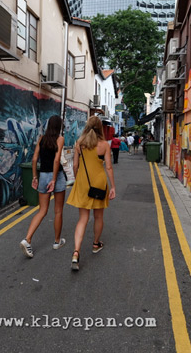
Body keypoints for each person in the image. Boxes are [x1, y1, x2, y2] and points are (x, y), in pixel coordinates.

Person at [66, 116, 116, 271]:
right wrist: (113, 187)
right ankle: (95, 244)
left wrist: (78, 179)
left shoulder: (79, 143)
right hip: (99, 183)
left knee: (83, 218)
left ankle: (76, 252)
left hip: (83, 182)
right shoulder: (104, 145)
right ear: (100, 128)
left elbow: (75, 165)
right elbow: (109, 167)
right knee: (98, 216)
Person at [19, 115, 67, 257]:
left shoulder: (41, 139)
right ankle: (57, 242)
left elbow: (34, 159)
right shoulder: (60, 139)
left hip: (43, 176)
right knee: (58, 211)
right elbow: (57, 160)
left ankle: (27, 239)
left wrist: (35, 176)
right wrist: (54, 179)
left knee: (42, 210)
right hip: (56, 176)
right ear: (59, 126)